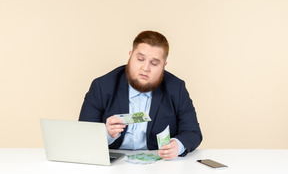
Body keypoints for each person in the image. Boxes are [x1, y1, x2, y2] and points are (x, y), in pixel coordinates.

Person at [79, 30, 202, 160]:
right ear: (130, 56)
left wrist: (178, 145)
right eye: (140, 59)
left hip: (159, 166)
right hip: (113, 165)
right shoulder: (102, 86)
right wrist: (106, 133)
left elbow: (193, 132)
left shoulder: (176, 88)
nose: (145, 68)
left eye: (154, 63)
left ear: (163, 66)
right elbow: (83, 136)